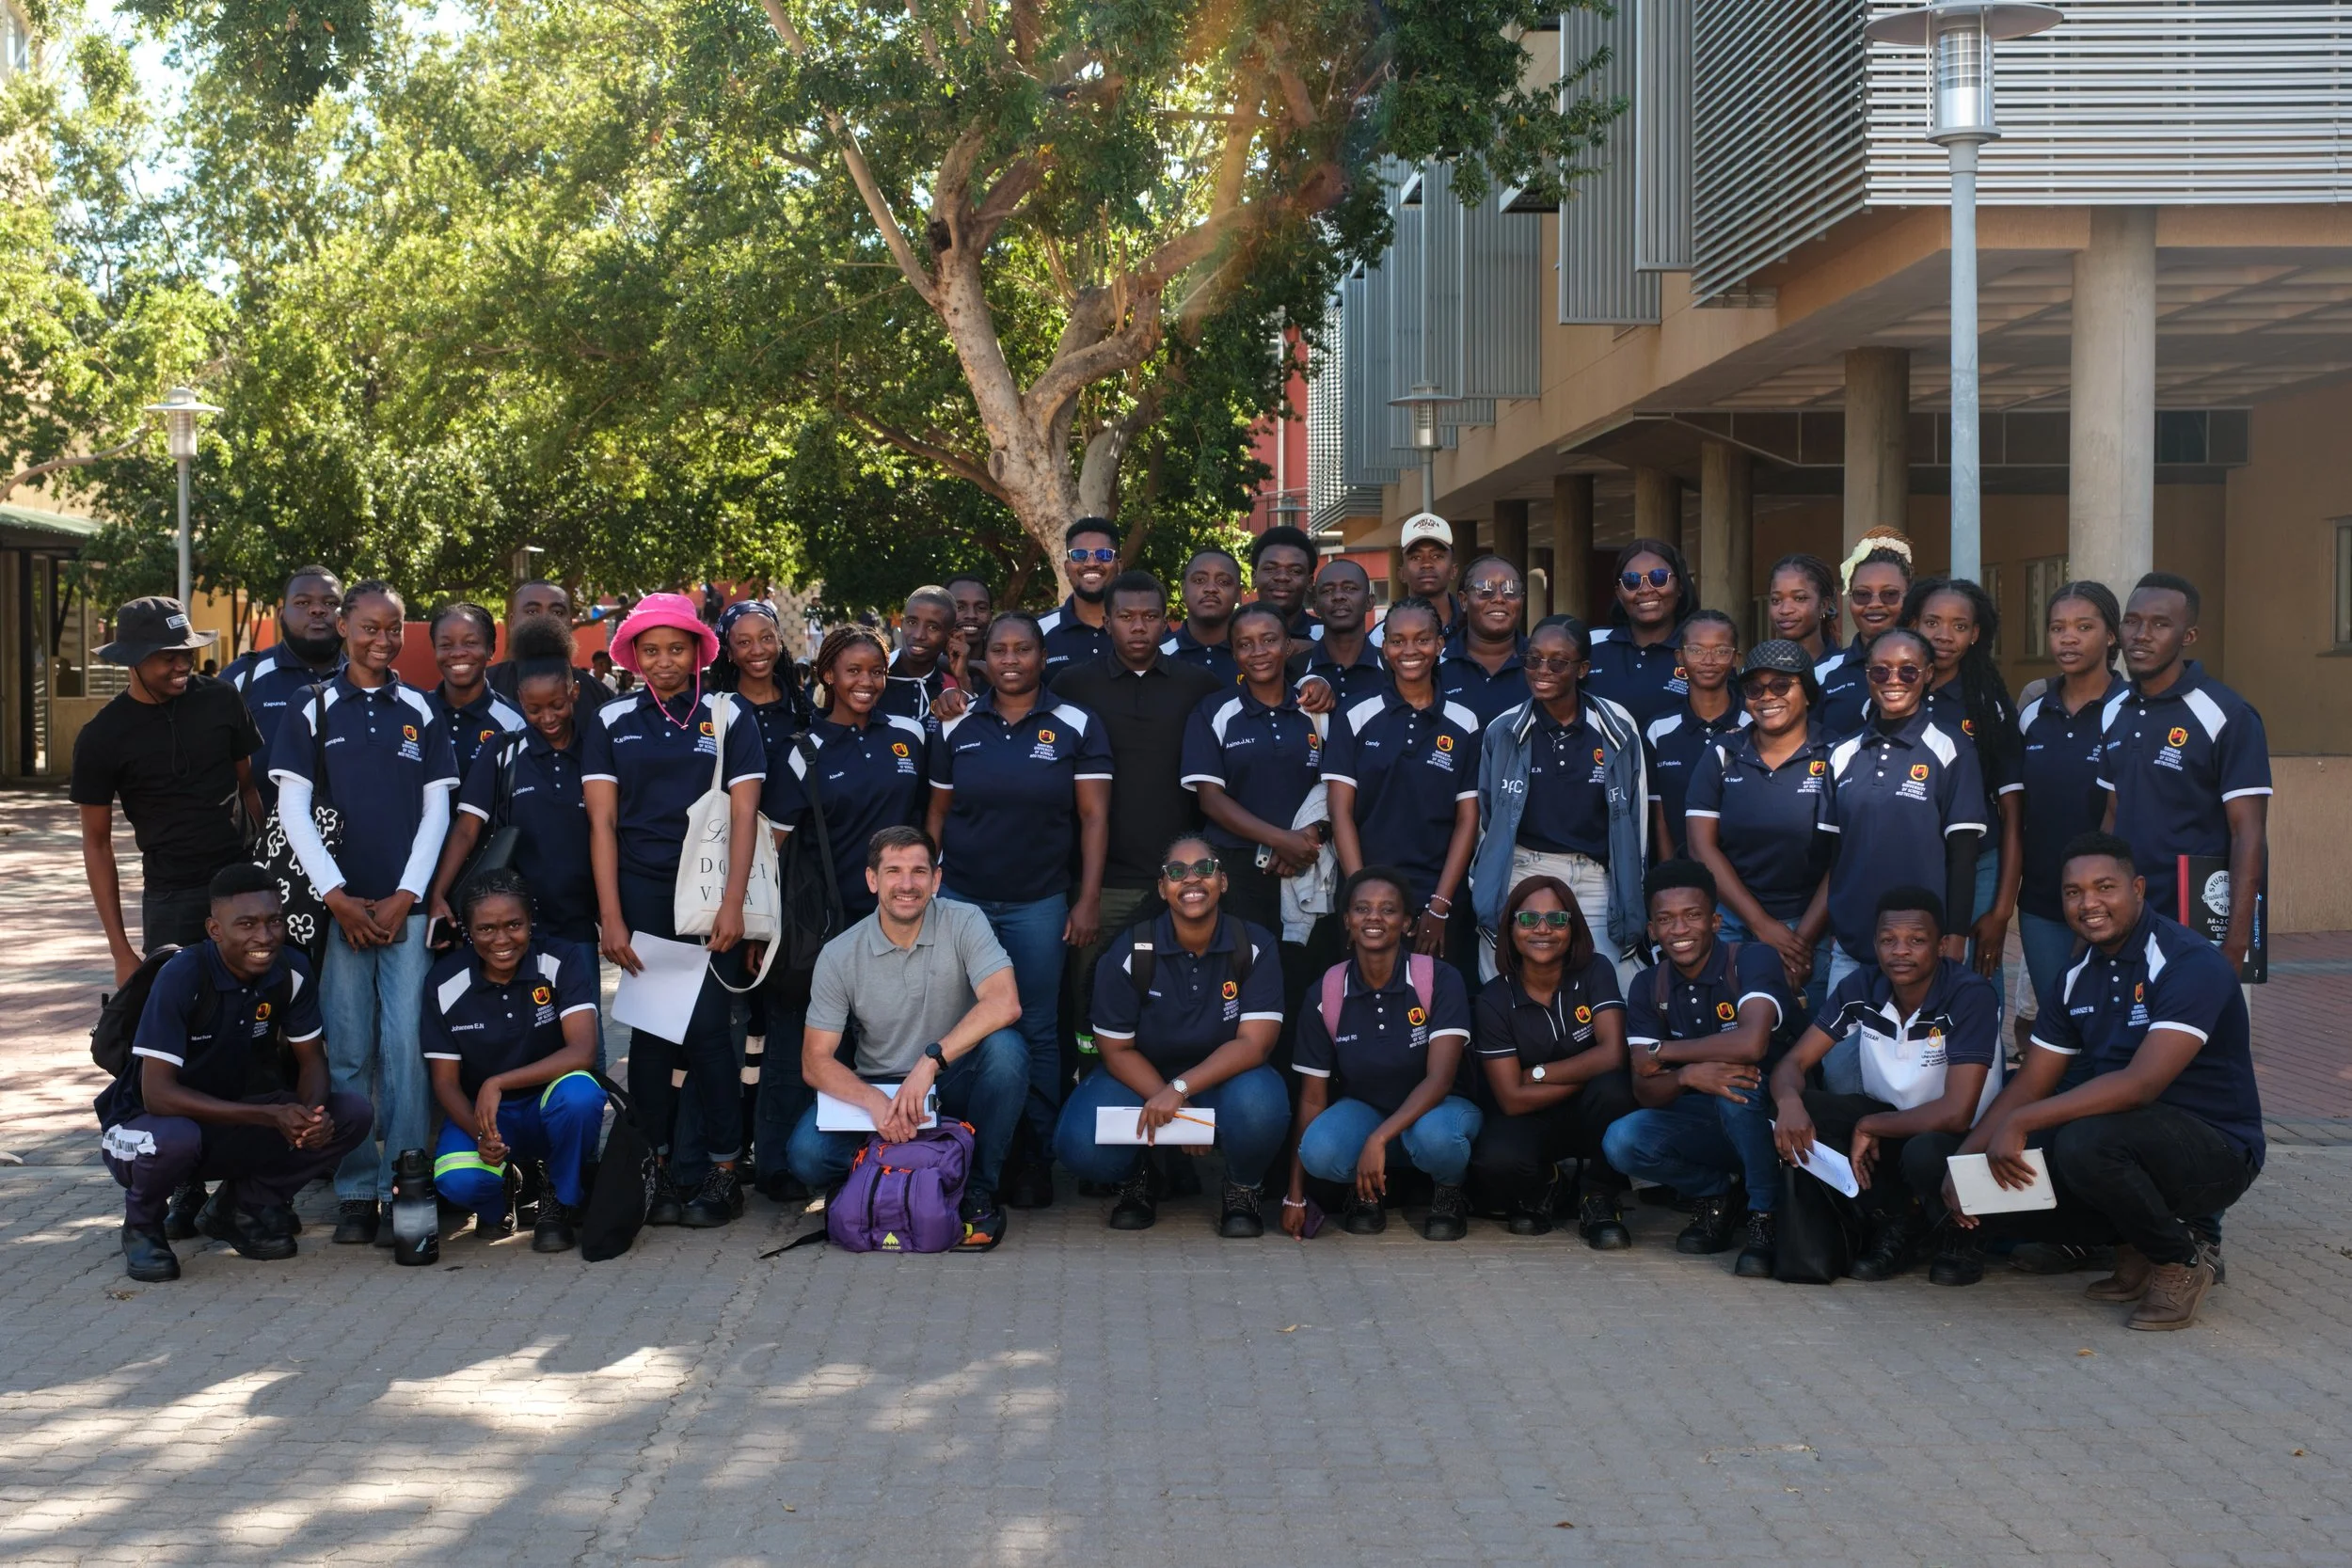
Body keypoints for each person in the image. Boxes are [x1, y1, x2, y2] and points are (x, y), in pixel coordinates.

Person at [1925, 833, 2262, 1330]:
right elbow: (2031, 1083)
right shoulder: (2076, 975)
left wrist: (2022, 1122)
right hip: (2124, 1136)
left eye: (2105, 887)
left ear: (2138, 889)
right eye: (2073, 892)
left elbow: (2142, 1084)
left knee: (2086, 1144)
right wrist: (1965, 1160)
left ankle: (2180, 1261)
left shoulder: (2188, 962)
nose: (2088, 903)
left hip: (2217, 1149)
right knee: (1932, 1158)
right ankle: (2130, 1244)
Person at [268, 580, 457, 1248]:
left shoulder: (421, 709)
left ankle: (405, 1178)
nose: (383, 639)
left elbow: (437, 812)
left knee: (405, 1048)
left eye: (394, 628)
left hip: (404, 912)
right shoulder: (313, 704)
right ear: (344, 626)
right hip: (340, 913)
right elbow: (293, 809)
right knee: (347, 1051)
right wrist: (336, 896)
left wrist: (406, 894)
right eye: (370, 626)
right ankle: (354, 1190)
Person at [582, 591, 766, 1229]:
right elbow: (602, 825)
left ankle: (723, 1170)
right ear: (633, 655)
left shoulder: (729, 714)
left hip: (710, 896)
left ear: (698, 652)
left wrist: (734, 904)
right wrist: (611, 915)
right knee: (653, 1038)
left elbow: (746, 814)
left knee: (712, 1033)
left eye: (677, 648)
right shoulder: (610, 720)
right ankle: (655, 1167)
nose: (664, 661)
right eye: (651, 650)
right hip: (640, 894)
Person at [99, 864, 373, 1282]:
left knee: (351, 1113)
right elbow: (158, 1095)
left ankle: (239, 1208)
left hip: (231, 1117)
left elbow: (312, 1061)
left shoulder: (292, 969)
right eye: (246, 924)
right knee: (176, 1139)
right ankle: (142, 1228)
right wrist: (270, 1115)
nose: (264, 937)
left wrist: (311, 1116)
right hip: (146, 1128)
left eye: (274, 921)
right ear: (214, 930)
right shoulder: (182, 975)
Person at [928, 610, 1112, 1204]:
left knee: (1036, 1027)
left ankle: (1032, 1158)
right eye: (1000, 650)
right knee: (960, 1022)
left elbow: (1094, 817)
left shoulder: (1076, 723)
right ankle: (962, 1148)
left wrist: (1086, 899)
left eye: (1023, 649)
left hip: (1039, 902)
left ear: (1042, 656)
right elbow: (937, 815)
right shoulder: (957, 723)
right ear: (986, 658)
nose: (1011, 660)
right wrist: (928, 891)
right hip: (961, 901)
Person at [787, 825, 1028, 1251]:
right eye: (893, 871)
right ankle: (911, 1168)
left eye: (919, 871)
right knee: (806, 1154)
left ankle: (975, 1186)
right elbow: (815, 1060)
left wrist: (929, 1063)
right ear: (872, 880)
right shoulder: (840, 953)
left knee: (1007, 1052)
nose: (906, 884)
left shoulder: (965, 921)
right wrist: (873, 1102)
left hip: (950, 1078)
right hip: (880, 1089)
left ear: (936, 880)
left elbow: (1004, 1002)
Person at [757, 624, 931, 1194]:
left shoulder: (907, 734)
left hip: (900, 919)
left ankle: (879, 1155)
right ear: (827, 675)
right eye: (853, 670)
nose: (866, 682)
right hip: (823, 926)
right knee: (801, 1040)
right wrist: (764, 927)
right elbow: (773, 847)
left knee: (883, 1039)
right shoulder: (801, 749)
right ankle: (780, 1165)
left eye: (877, 671)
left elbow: (928, 818)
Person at [1051, 836, 1291, 1236]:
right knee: (1079, 1145)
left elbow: (1255, 1044)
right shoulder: (1131, 950)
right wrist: (1175, 1103)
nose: (1191, 879)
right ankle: (1139, 1174)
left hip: (1224, 1080)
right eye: (1177, 872)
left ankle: (1242, 1187)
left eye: (1204, 868)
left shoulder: (1253, 944)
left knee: (1261, 1105)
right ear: (1162, 888)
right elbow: (1116, 1050)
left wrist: (1181, 1091)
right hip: (1139, 1079)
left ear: (1223, 881)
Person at [1767, 886, 2001, 1281]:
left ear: (1942, 946)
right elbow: (1794, 1061)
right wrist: (1789, 1103)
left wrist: (1870, 1125)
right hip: (1892, 1123)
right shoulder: (1861, 987)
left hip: (1962, 1140)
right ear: (1874, 945)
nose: (1900, 951)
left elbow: (1957, 1113)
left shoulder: (1969, 995)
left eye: (1916, 940)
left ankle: (1961, 1236)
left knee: (1923, 1151)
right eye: (1888, 940)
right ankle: (1899, 1220)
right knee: (1805, 1109)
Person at [1600, 861, 1795, 1277]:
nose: (1679, 929)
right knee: (1623, 1141)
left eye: (1692, 915)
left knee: (1737, 1087)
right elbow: (1644, 1089)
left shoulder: (1751, 959)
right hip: (1706, 1117)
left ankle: (1765, 1215)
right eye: (1665, 919)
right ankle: (1717, 1194)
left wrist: (1665, 1052)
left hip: (1776, 1117)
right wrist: (1688, 1076)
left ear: (1715, 921)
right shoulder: (1648, 984)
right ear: (1652, 930)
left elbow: (1751, 1044)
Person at [73, 596, 265, 982]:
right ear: (133, 659)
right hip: (172, 898)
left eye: (187, 653)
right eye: (168, 657)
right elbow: (97, 845)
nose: (182, 665)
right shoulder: (101, 737)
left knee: (260, 1001)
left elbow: (248, 789)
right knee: (179, 1008)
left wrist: (263, 867)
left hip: (243, 882)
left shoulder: (223, 699)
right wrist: (121, 952)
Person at [1284, 866, 1480, 1241]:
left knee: (1436, 1138)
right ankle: (1367, 1190)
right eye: (1362, 909)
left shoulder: (1439, 979)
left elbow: (1439, 1080)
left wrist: (1378, 1139)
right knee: (1319, 1150)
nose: (1374, 917)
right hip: (1367, 1108)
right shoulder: (1326, 991)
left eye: (1388, 910)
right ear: (1347, 921)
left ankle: (1449, 1190)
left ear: (1407, 923)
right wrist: (1295, 1194)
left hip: (1441, 1108)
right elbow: (1311, 1100)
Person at [421, 869, 606, 1251]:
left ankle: (559, 1198)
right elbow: (444, 1082)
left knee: (581, 1095)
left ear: (531, 922)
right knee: (457, 1179)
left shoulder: (560, 958)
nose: (502, 939)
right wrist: (480, 1135)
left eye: (514, 925)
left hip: (547, 1104)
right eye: (486, 929)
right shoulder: (444, 980)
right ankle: (502, 1194)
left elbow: (583, 1051)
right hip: (486, 1117)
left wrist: (498, 1082)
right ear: (468, 931)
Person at [2100, 573, 2270, 971]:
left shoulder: (2228, 715)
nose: (2141, 635)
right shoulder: (2113, 710)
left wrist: (2235, 947)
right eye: (2132, 621)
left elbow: (2248, 833)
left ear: (2188, 636)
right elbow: (2111, 816)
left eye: (2160, 624)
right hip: (2129, 919)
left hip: (2199, 924)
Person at [1470, 614, 1647, 990]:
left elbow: (1636, 817)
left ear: (1582, 669)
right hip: (1523, 870)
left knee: (1617, 986)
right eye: (1533, 659)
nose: (1542, 671)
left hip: (1595, 877)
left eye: (1558, 662)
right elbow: (1487, 819)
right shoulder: (1504, 729)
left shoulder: (1617, 726)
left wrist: (1632, 885)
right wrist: (1483, 886)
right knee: (1508, 984)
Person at [1811, 627, 1985, 999]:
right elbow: (1837, 854)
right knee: (1840, 1039)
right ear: (1867, 675)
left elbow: (1963, 856)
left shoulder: (1951, 747)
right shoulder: (1842, 753)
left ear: (1928, 674)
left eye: (1908, 671)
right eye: (1880, 670)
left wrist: (1956, 936)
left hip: (1924, 949)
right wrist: (1836, 925)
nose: (1893, 680)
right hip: (1853, 946)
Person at [1466, 875, 1638, 1245]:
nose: (1543, 929)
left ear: (1572, 928)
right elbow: (1511, 1099)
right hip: (1530, 1116)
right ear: (1510, 929)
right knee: (1495, 1159)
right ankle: (1549, 1184)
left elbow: (1613, 1054)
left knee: (1614, 1091)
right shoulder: (1494, 998)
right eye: (1528, 919)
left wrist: (1540, 1073)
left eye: (1557, 919)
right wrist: (1585, 1074)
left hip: (1594, 1110)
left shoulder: (1596, 970)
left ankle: (1599, 1196)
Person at [1319, 597, 1482, 977]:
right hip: (1366, 887)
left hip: (1437, 894)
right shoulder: (1355, 714)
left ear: (1439, 645)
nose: (1410, 650)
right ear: (1384, 647)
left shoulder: (1465, 722)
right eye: (1397, 640)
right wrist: (1361, 899)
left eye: (1422, 639)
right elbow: (1340, 812)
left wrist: (1440, 905)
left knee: (1433, 994)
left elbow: (1467, 820)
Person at [427, 619, 597, 950]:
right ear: (520, 699)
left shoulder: (594, 751)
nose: (547, 717)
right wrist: (438, 893)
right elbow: (467, 829)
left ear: (574, 692)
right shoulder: (504, 750)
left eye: (557, 705)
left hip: (578, 922)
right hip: (511, 920)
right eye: (533, 709)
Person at [1685, 641, 1836, 1004]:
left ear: (1808, 693)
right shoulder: (1723, 752)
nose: (1767, 696)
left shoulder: (1837, 754)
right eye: (1754, 689)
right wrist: (1762, 925)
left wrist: (1799, 943)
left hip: (1814, 922)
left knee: (1810, 1029)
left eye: (1781, 685)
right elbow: (1701, 847)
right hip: (1733, 920)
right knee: (1728, 1021)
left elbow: (1847, 856)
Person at [1182, 602, 1329, 946]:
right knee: (1244, 964)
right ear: (1234, 653)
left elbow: (1332, 789)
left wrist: (1308, 837)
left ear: (1288, 646)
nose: (1258, 651)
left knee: (1303, 966)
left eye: (1269, 640)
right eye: (1245, 644)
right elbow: (1210, 800)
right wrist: (1281, 840)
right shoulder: (1213, 710)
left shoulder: (1316, 710)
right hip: (1235, 868)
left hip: (1306, 861)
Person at [1904, 578, 2024, 986]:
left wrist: (2001, 912)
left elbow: (2012, 814)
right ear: (1913, 624)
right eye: (1932, 622)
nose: (1944, 635)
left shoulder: (1987, 705)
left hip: (1977, 864)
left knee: (1975, 985)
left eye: (1958, 626)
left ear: (1975, 634)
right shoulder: (1892, 691)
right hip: (1908, 859)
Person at [2016, 582, 2128, 1006]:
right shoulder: (2032, 710)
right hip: (2042, 903)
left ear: (2111, 635)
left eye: (2084, 627)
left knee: (2108, 1021)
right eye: (2057, 627)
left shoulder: (2131, 710)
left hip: (2109, 904)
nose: (2068, 638)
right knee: (2056, 1018)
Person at [220, 564, 345, 800]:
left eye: (330, 603)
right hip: (262, 824)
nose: (317, 609)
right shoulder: (241, 678)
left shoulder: (367, 681)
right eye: (302, 602)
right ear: (281, 614)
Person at [1644, 609, 1748, 860]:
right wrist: (1672, 874)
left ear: (1736, 659)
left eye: (1721, 651)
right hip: (1683, 871)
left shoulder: (1753, 724)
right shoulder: (1659, 729)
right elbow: (1660, 818)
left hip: (1746, 872)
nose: (1708, 660)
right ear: (1680, 657)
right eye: (1696, 650)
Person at [1583, 538, 1695, 728]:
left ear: (1680, 586)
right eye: (1632, 581)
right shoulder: (1591, 644)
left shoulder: (1701, 650)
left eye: (1658, 578)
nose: (1645, 590)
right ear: (1619, 593)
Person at [1814, 536, 1915, 739]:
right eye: (1862, 595)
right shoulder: (1822, 673)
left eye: (1889, 594)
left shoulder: (1930, 670)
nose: (1875, 604)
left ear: (1909, 597)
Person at [424, 602, 525, 779]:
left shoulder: (513, 721)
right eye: (446, 645)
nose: (458, 653)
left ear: (490, 650)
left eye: (470, 643)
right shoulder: (417, 712)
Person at [485, 578, 611, 714]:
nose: (545, 619)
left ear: (569, 624)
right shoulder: (483, 689)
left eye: (557, 612)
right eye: (532, 611)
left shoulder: (601, 698)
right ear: (512, 622)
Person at [1436, 556, 1530, 727]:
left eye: (1510, 590)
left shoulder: (1542, 664)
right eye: (1485, 589)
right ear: (1464, 601)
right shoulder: (1436, 664)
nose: (1499, 598)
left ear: (1521, 600)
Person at [1288, 559, 1388, 708]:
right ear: (1316, 607)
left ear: (1369, 602)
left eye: (1350, 588)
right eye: (1327, 590)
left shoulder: (1393, 668)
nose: (1338, 596)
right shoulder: (1292, 670)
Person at [1039, 516, 1120, 675]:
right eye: (1079, 555)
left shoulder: (1144, 629)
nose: (1091, 563)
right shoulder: (1038, 631)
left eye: (1103, 554)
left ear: (1119, 565)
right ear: (1067, 568)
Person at [1371, 514, 1463, 644]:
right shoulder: (1378, 638)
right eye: (1415, 557)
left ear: (1454, 570)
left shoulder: (1474, 629)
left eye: (1437, 556)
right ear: (1401, 573)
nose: (1427, 564)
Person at [1161, 547, 1243, 684]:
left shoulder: (1256, 656)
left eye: (1223, 582)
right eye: (1199, 580)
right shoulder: (1156, 655)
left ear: (1238, 594)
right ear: (1183, 589)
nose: (1211, 589)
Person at [881, 587, 956, 721]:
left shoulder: (951, 685)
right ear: (902, 623)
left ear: (950, 635)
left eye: (933, 627)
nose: (918, 635)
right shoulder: (877, 676)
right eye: (912, 622)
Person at [1248, 525, 1323, 644]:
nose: (1282, 577)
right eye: (1270, 568)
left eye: (1295, 571)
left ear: (1309, 582)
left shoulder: (1328, 640)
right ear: (1254, 577)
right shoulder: (1232, 636)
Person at [1764, 553, 1842, 665]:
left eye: (1800, 598)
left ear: (1823, 605)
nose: (1785, 610)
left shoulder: (1844, 669)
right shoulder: (1755, 669)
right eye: (1776, 600)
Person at [943, 571, 994, 695]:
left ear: (991, 615)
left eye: (981, 608)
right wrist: (976, 666)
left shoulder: (1005, 661)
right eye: (959, 607)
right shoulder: (925, 664)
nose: (971, 615)